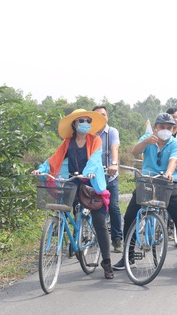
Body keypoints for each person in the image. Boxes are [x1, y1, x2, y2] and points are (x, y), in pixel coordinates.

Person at [32, 109, 114, 279]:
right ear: (74, 124)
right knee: (63, 205)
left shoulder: (95, 140)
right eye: (81, 120)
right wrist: (41, 169)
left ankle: (107, 262)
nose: (85, 123)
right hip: (74, 180)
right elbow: (54, 159)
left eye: (88, 121)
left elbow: (95, 159)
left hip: (92, 182)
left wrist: (90, 172)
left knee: (99, 221)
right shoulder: (68, 143)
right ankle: (68, 235)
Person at [113, 113, 177, 271]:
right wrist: (146, 141)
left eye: (169, 128)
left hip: (168, 183)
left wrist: (168, 173)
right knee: (130, 215)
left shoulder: (176, 144)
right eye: (162, 127)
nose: (165, 130)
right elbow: (134, 151)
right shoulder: (147, 138)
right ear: (155, 128)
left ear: (173, 130)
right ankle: (128, 255)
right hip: (147, 182)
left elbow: (174, 160)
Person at [92, 105, 124, 254]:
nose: (102, 117)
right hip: (93, 177)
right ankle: (83, 235)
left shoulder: (112, 132)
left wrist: (114, 164)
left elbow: (114, 148)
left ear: (107, 117)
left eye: (104, 115)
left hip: (110, 176)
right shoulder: (89, 133)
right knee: (88, 205)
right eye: (98, 115)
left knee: (114, 207)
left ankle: (117, 239)